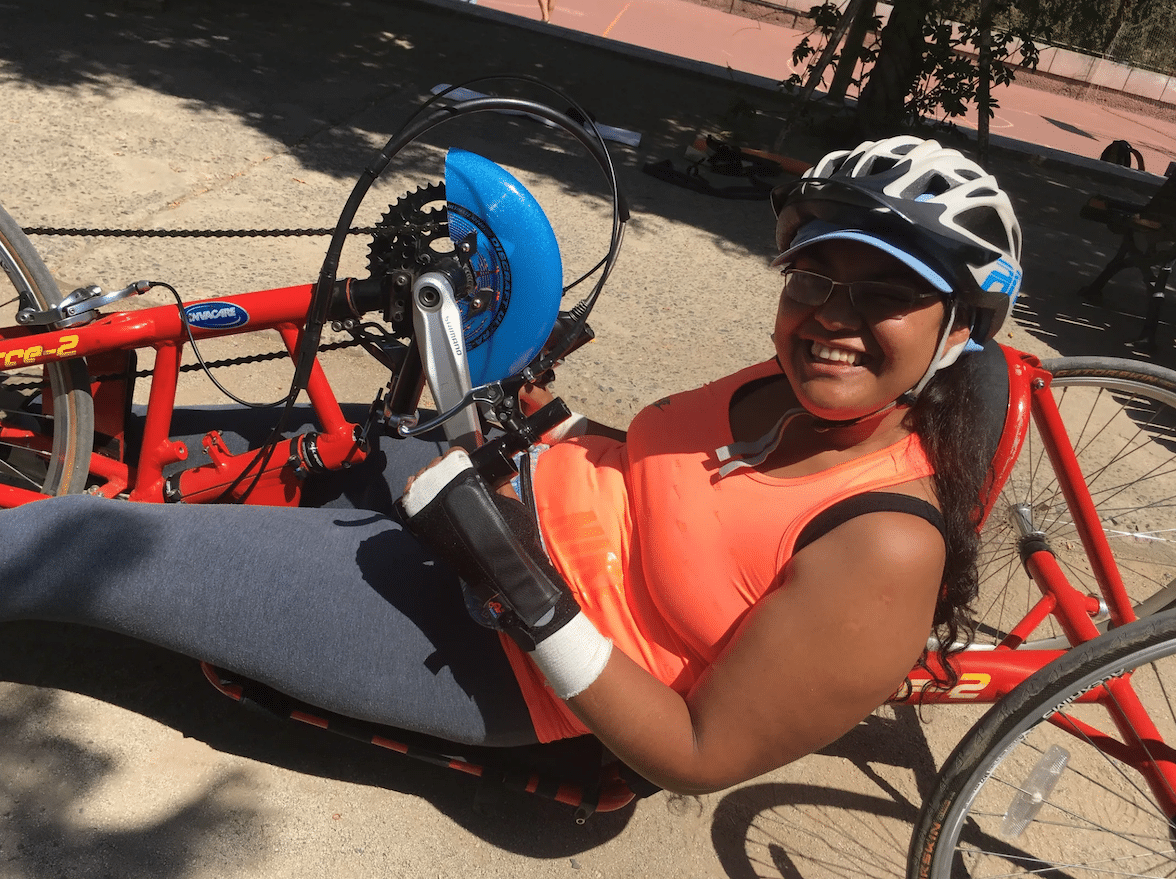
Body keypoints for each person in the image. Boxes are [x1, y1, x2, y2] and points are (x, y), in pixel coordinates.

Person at [1, 135, 1022, 796]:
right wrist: (543, 414)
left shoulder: (882, 544)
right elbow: (669, 479)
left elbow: (696, 755)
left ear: (961, 327)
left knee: (78, 539)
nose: (832, 317)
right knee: (139, 448)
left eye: (883, 292)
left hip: (489, 644)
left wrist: (518, 584)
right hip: (479, 489)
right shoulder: (794, 381)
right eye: (815, 277)